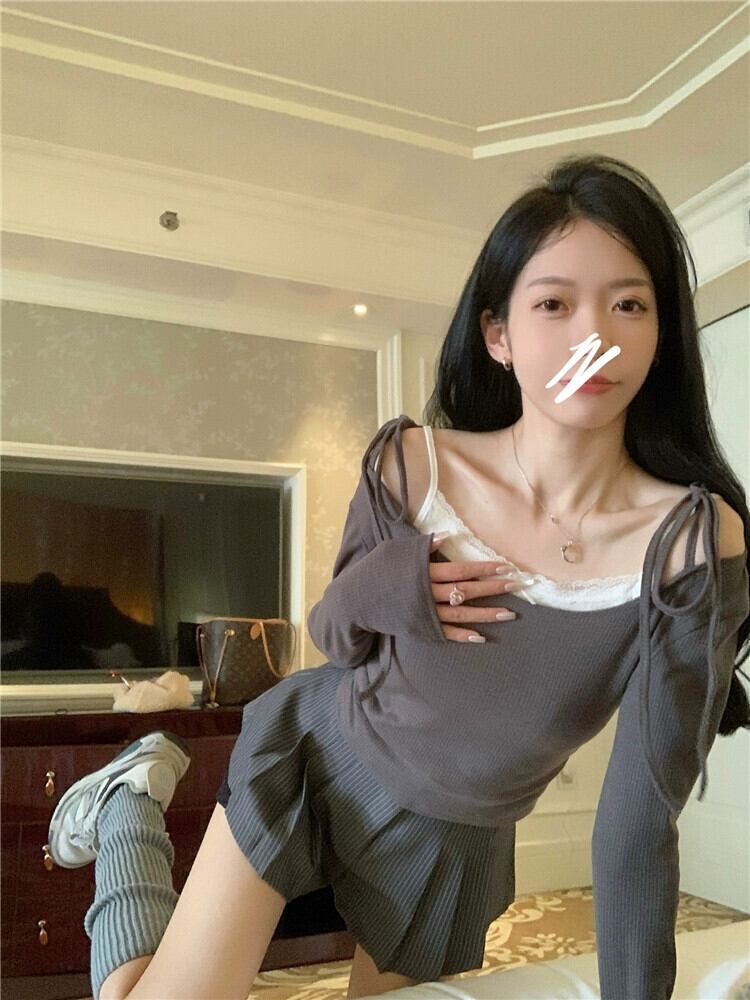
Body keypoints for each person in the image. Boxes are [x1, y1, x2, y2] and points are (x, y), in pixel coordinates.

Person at [48, 153, 749, 1000]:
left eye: (628, 304)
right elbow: (335, 633)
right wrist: (398, 581)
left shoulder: (693, 543)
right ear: (498, 334)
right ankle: (128, 803)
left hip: (456, 843)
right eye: (554, 303)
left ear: (661, 333)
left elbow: (637, 820)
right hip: (319, 761)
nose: (591, 336)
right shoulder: (416, 465)